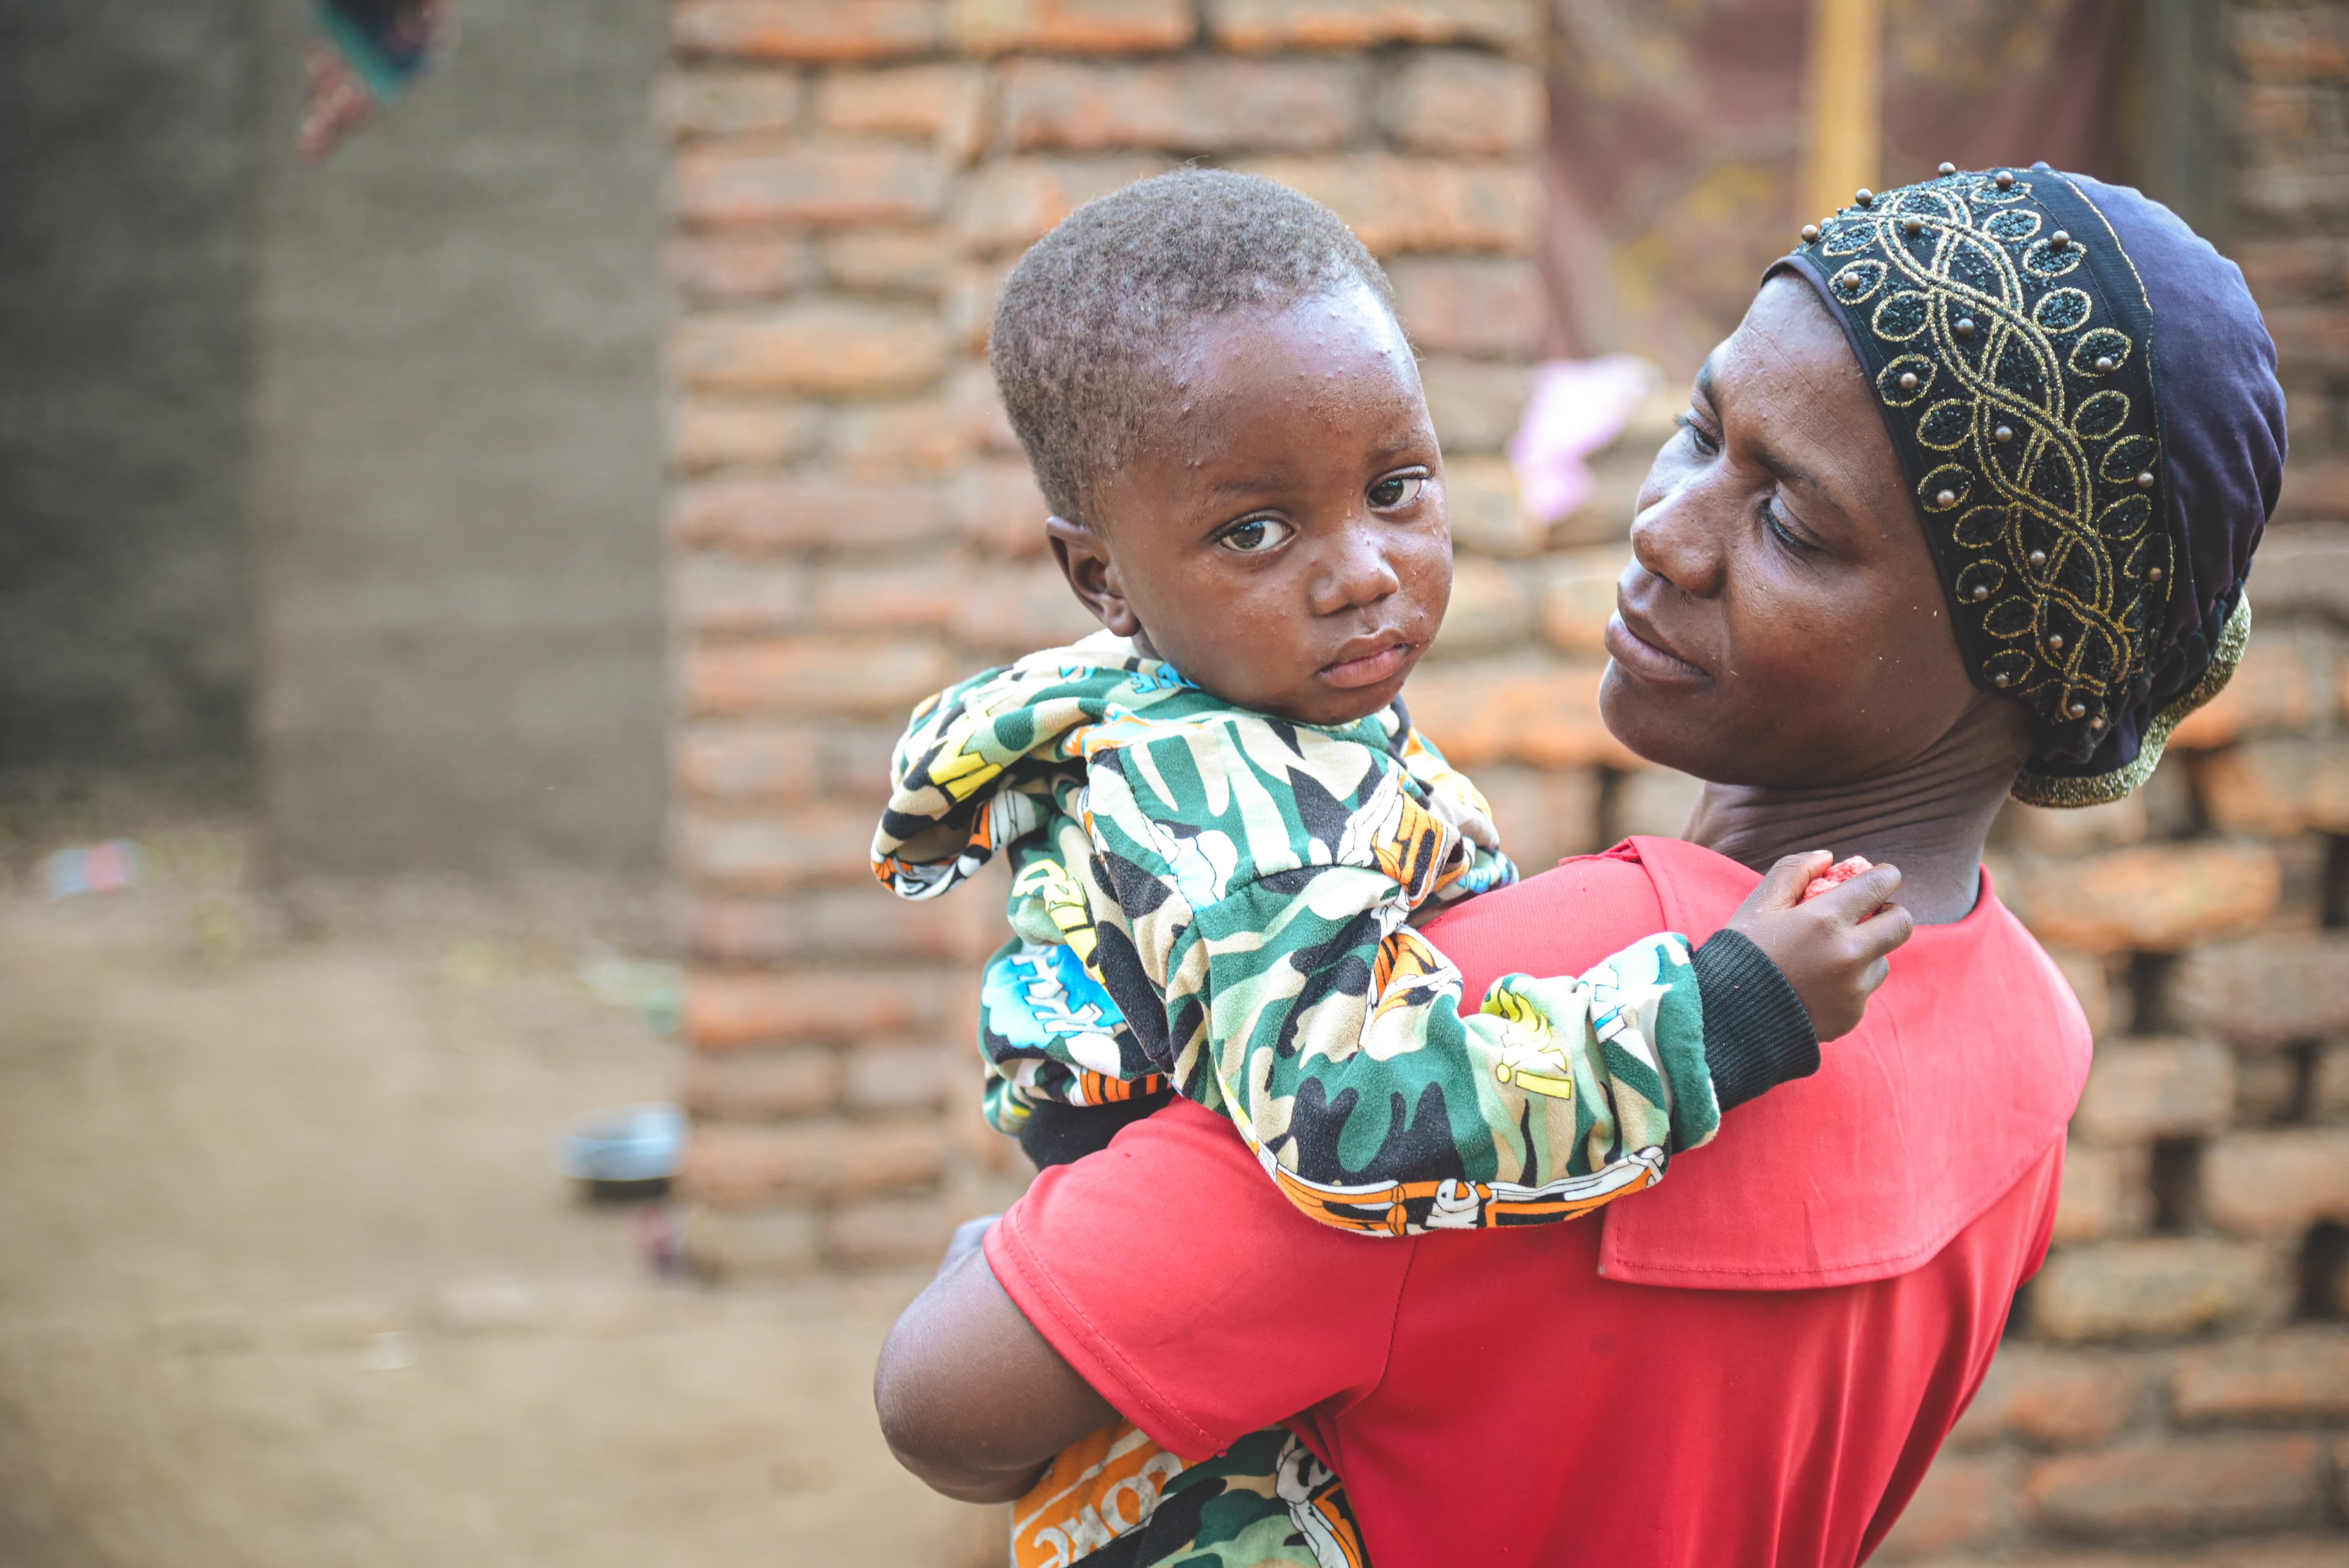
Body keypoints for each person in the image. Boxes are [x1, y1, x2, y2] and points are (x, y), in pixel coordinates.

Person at [874, 164, 2285, 1568]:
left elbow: (950, 1401)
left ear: (2014, 655)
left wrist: (992, 1251)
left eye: (1791, 521)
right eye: (1702, 428)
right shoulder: (2034, 1048)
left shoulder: (1516, 1012)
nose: (1666, 529)